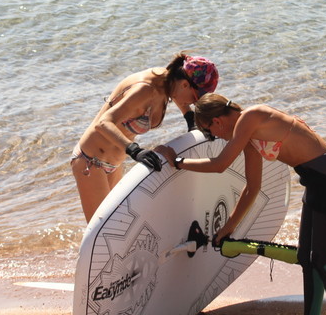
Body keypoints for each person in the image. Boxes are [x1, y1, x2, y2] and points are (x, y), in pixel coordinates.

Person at [157, 94, 326, 315]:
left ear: (217, 121)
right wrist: (229, 226)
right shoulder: (248, 136)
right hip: (315, 182)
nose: (216, 137)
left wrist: (177, 162)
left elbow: (220, 164)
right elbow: (252, 188)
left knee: (323, 258)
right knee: (307, 257)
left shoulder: (252, 117)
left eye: (210, 130)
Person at [71, 53, 218, 222]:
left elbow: (179, 96)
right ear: (185, 84)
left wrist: (192, 122)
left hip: (115, 164)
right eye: (195, 98)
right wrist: (135, 151)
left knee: (118, 225)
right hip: (90, 162)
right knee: (101, 229)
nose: (192, 103)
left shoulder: (168, 81)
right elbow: (103, 123)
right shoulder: (145, 89)